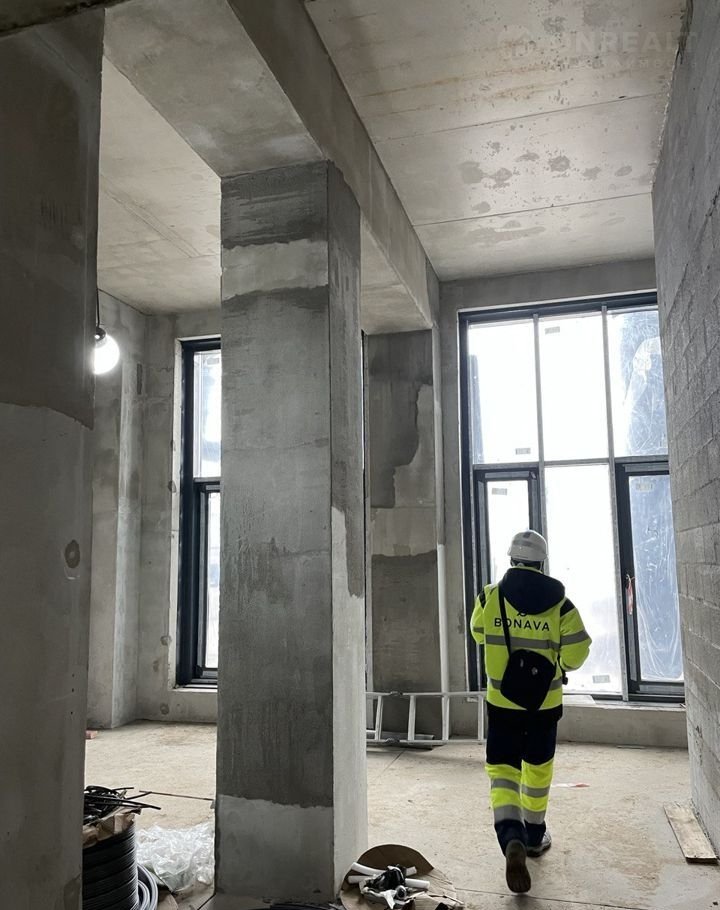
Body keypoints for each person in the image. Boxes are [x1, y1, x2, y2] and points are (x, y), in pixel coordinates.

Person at [470, 530, 591, 894]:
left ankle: (511, 837)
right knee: (537, 771)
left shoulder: (489, 597)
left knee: (503, 771)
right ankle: (535, 836)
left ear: (512, 559)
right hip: (543, 706)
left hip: (502, 703)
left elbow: (478, 633)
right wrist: (557, 664)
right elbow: (577, 652)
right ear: (541, 563)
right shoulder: (562, 606)